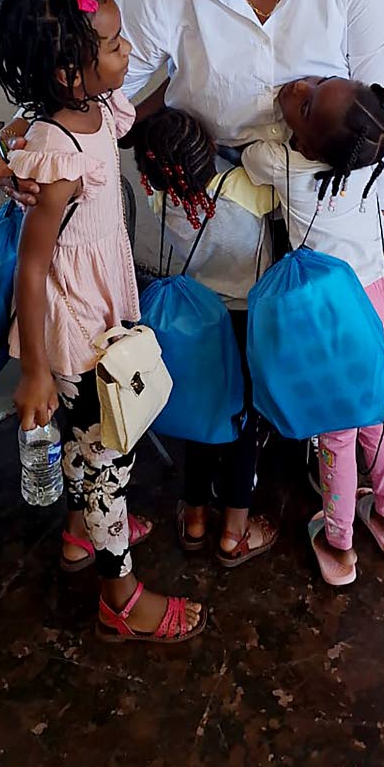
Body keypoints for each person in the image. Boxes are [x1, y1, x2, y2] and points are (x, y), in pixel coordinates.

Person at [0, 0, 384, 558]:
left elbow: (382, 123)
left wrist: (379, 216)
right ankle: (221, 500)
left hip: (327, 206)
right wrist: (21, 142)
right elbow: (101, 93)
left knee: (323, 353)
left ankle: (328, 469)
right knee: (224, 358)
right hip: (211, 196)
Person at [0, 0, 205, 643]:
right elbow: (32, 267)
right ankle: (120, 594)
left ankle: (82, 532)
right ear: (69, 74)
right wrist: (35, 371)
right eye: (114, 46)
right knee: (106, 458)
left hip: (103, 303)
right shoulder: (53, 155)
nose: (128, 51)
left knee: (108, 434)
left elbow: (133, 112)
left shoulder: (97, 109)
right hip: (71, 329)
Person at [242, 76, 384, 587]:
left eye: (309, 101)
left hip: (343, 325)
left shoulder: (289, 167)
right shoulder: (367, 164)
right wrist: (308, 117)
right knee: (379, 417)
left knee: (336, 436)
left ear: (313, 141)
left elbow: (252, 154)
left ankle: (338, 543)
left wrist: (283, 115)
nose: (300, 85)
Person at [134, 108, 276, 566]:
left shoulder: (165, 197)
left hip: (198, 320)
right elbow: (277, 185)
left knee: (203, 422)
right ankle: (234, 532)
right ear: (210, 150)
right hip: (244, 320)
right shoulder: (248, 191)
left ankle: (193, 518)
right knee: (243, 426)